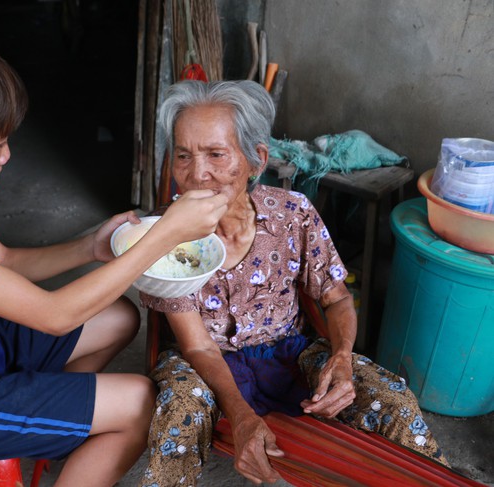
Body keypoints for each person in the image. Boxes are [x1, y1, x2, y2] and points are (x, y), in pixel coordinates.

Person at [0, 25, 229, 487]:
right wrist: (167, 232)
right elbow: (54, 316)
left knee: (117, 317)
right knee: (139, 403)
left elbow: (4, 260)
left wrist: (89, 247)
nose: (7, 155)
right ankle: (58, 425)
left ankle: (56, 423)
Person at [138, 80, 448, 486]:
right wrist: (241, 415)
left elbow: (336, 299)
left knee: (390, 397)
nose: (197, 174)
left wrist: (340, 356)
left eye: (216, 154)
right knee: (179, 417)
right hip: (203, 362)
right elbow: (197, 345)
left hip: (288, 352)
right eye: (183, 156)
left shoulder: (291, 213)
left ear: (256, 159)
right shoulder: (161, 235)